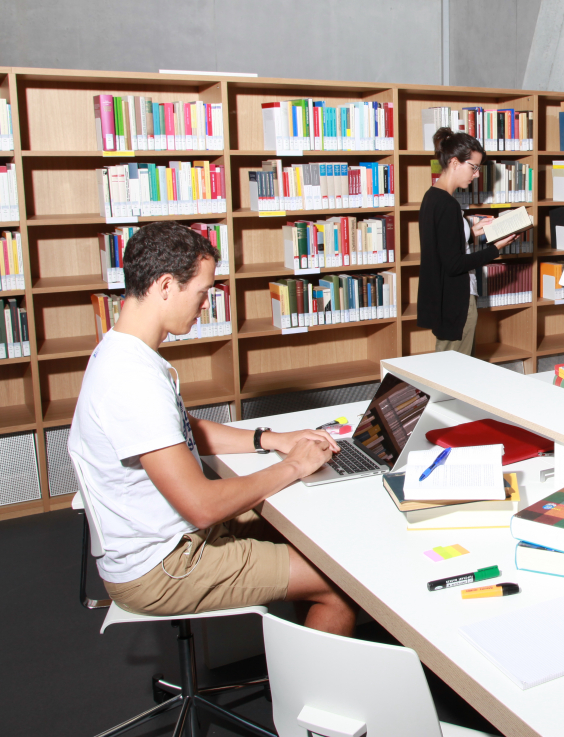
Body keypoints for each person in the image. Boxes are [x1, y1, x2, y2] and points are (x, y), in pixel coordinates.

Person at [67, 222, 356, 635]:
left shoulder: (121, 351)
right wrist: (292, 465)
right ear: (166, 286)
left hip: (165, 541)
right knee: (342, 584)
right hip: (164, 566)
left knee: (303, 526)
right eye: (202, 292)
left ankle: (297, 639)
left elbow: (178, 428)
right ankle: (306, 692)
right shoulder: (132, 379)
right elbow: (201, 506)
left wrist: (269, 440)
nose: (205, 304)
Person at [418, 127, 518, 355]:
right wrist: (496, 248)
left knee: (447, 367)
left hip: (444, 300)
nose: (476, 175)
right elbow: (454, 264)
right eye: (473, 168)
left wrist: (472, 232)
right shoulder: (448, 205)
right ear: (454, 163)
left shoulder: (432, 196)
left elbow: (441, 244)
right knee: (455, 373)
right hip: (456, 301)